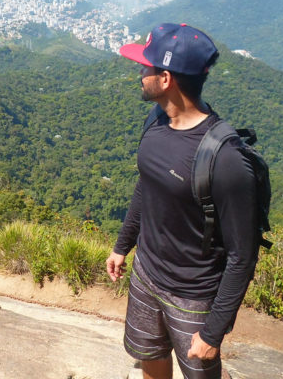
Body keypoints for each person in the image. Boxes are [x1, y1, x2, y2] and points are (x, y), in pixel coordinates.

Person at [106, 23, 259, 379]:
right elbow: (147, 186)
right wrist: (123, 246)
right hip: (146, 274)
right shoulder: (157, 119)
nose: (140, 74)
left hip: (193, 296)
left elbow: (243, 255)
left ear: (165, 79)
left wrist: (213, 331)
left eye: (146, 68)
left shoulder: (225, 159)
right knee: (150, 357)